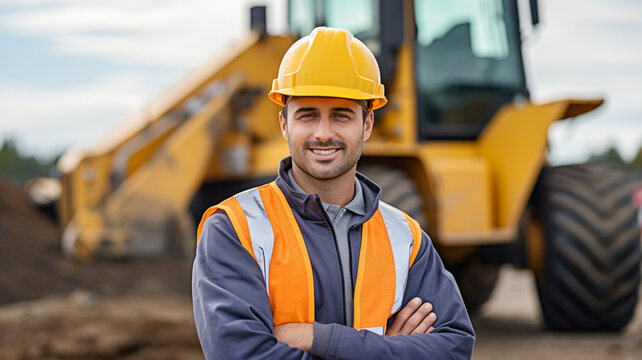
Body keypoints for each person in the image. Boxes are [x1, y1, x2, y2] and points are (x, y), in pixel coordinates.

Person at [192, 27, 475, 359]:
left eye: (341, 116)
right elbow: (241, 354)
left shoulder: (406, 238)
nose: (323, 133)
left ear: (367, 124)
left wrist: (321, 339)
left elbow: (454, 349)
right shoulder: (235, 229)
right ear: (284, 124)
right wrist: (390, 349)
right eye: (308, 115)